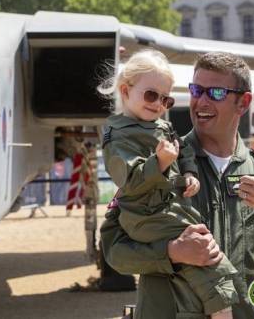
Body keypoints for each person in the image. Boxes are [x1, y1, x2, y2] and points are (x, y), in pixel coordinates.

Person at [100, 51, 254, 319]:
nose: (200, 101)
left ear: (243, 102)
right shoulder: (156, 160)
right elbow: (114, 250)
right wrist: (171, 252)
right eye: (196, 90)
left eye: (214, 93)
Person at [99, 49, 237, 318]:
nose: (158, 104)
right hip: (150, 216)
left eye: (166, 99)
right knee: (211, 265)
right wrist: (160, 162)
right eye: (151, 95)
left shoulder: (161, 127)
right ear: (126, 91)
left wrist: (189, 174)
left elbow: (182, 149)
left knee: (211, 266)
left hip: (172, 212)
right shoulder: (118, 136)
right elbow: (130, 182)